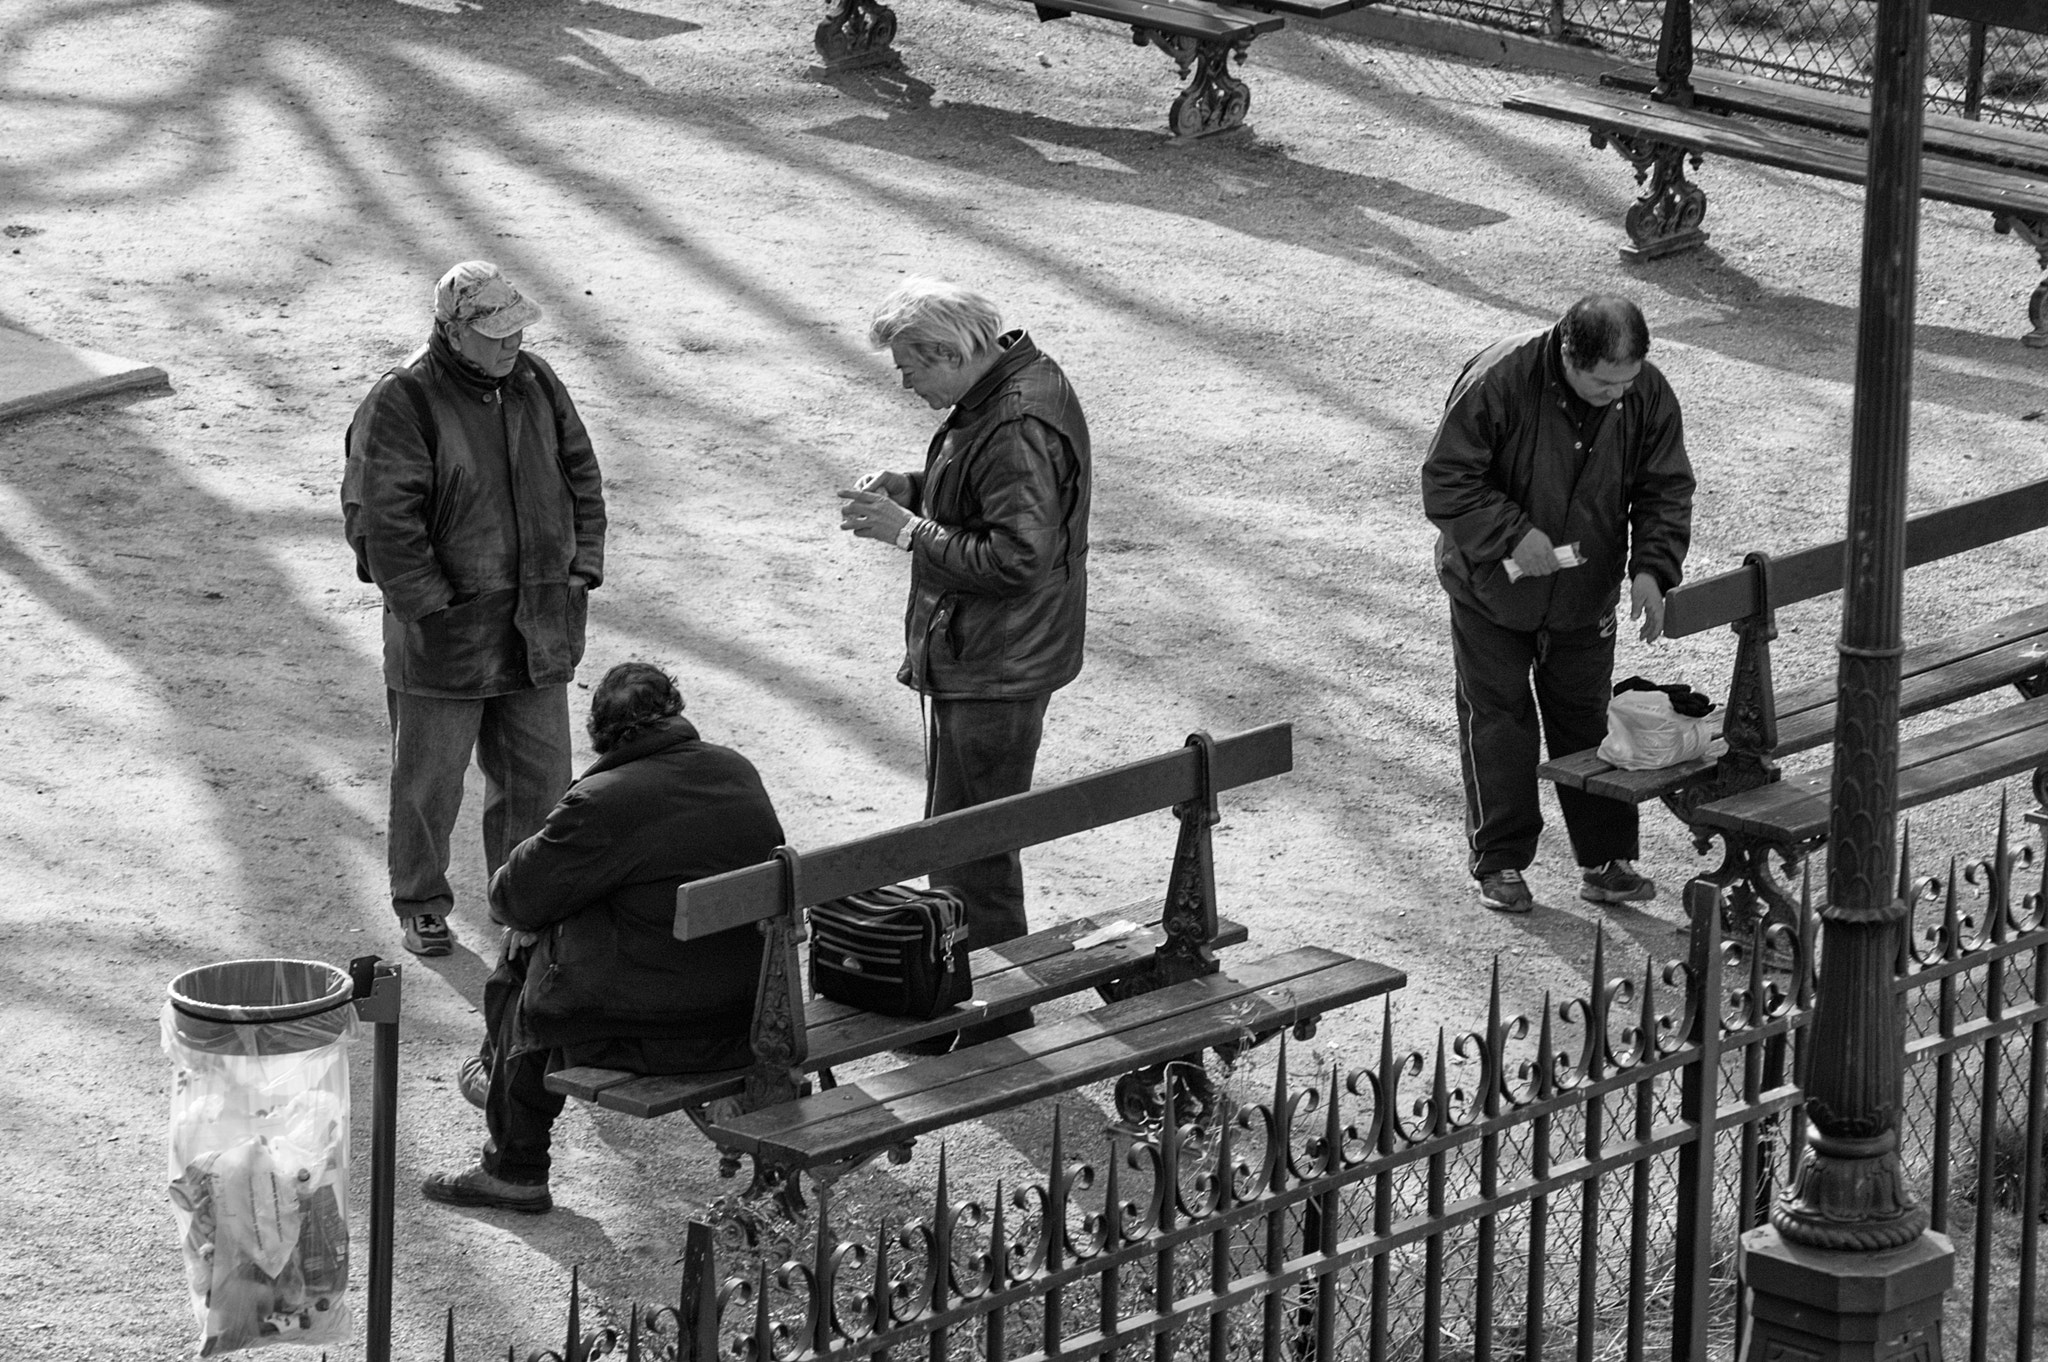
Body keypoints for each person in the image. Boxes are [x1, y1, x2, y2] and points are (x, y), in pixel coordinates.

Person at [421, 663, 784, 1213]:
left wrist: (542, 912)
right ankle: (494, 1078)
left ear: (599, 733)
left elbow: (511, 898)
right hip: (750, 1017)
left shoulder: (603, 800)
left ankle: (515, 1167)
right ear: (676, 711)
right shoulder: (736, 769)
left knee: (527, 954)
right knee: (559, 932)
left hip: (660, 1033)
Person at [837, 279, 1091, 1030]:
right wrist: (914, 489)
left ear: (951, 353)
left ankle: (991, 1012)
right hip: (992, 656)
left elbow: (1017, 557)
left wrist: (908, 531)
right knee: (969, 836)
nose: (906, 382)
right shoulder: (1006, 390)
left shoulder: (1014, 422)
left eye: (912, 367)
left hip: (997, 665)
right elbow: (987, 503)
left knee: (970, 846)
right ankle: (983, 1001)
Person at [342, 260, 606, 958]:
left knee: (540, 781)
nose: (511, 341)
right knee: (428, 781)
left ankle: (522, 904)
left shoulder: (537, 382)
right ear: (452, 330)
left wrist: (582, 566)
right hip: (446, 635)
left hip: (540, 623)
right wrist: (435, 607)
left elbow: (582, 473)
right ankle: (422, 902)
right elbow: (381, 520)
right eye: (494, 331)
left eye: (516, 325)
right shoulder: (402, 399)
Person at [1421, 294, 1695, 915]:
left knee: (1586, 721)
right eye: (1604, 384)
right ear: (1569, 357)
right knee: (1499, 720)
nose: (1617, 395)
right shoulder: (1498, 380)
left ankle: (1605, 861)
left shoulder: (1643, 391)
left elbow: (1664, 487)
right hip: (1488, 589)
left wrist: (1653, 568)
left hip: (1583, 592)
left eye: (1627, 381)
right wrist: (1513, 532)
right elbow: (1445, 481)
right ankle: (1501, 861)